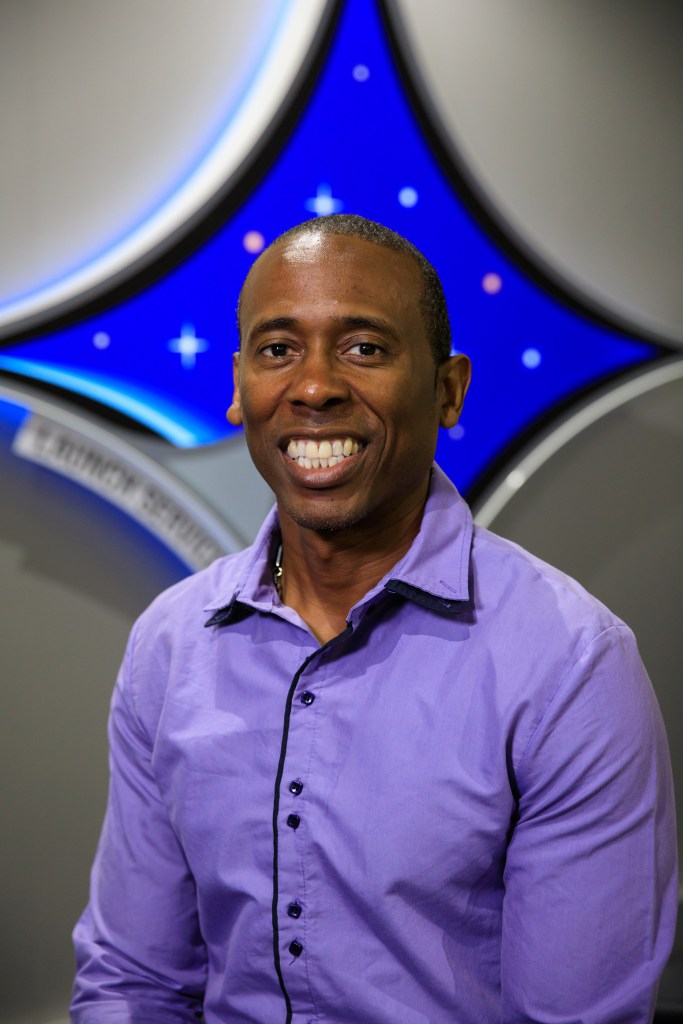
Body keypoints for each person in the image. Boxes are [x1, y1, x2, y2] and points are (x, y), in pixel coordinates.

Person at [71, 214, 677, 1023]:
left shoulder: (571, 664)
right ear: (237, 387)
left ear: (448, 390)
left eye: (363, 348)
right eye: (278, 349)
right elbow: (134, 983)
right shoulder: (169, 644)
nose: (313, 387)